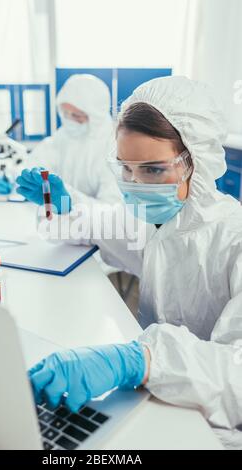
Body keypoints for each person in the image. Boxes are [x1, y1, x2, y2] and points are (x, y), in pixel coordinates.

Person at [16, 76, 242, 449]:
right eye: (125, 169)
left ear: (195, 162)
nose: (134, 184)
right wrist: (64, 206)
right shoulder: (158, 222)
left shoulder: (232, 240)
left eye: (153, 170)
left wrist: (141, 360)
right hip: (158, 400)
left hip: (212, 427)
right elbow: (98, 225)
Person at [26, 74, 121, 205]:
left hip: (95, 224)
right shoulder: (63, 136)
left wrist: (70, 200)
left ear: (95, 115)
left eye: (77, 115)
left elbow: (112, 207)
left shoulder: (114, 146)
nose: (69, 120)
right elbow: (35, 162)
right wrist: (11, 177)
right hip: (60, 221)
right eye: (65, 113)